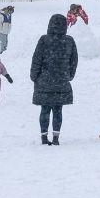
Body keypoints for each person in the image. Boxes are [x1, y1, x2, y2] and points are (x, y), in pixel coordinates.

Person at [31, 14, 79, 146]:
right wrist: (69, 75)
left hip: (44, 83)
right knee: (58, 110)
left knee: (44, 110)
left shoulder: (44, 40)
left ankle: (44, 137)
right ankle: (56, 137)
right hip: (62, 83)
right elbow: (74, 61)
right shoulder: (69, 41)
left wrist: (34, 76)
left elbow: (36, 60)